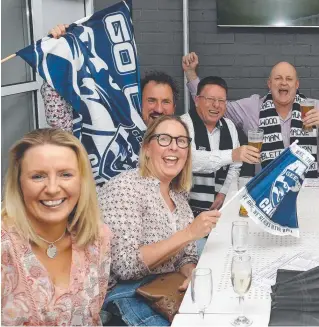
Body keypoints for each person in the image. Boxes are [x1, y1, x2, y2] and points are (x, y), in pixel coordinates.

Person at [98, 115, 221, 326]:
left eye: (181, 141)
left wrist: (192, 275)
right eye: (164, 139)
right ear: (147, 148)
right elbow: (125, 267)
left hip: (167, 289)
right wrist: (189, 233)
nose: (174, 147)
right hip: (128, 294)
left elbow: (186, 257)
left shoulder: (179, 197)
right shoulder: (124, 187)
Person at [1, 128, 111, 326]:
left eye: (65, 174)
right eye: (38, 176)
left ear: (82, 181)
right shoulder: (4, 246)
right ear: (19, 183)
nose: (52, 188)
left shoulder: (98, 238)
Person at [183, 52, 319, 178]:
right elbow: (216, 105)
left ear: (296, 85)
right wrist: (190, 74)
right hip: (265, 190)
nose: (283, 83)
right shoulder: (252, 106)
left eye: (289, 79)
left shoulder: (314, 107)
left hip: (310, 187)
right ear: (269, 84)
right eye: (278, 78)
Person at [42, 24, 178, 129]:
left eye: (166, 102)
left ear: (174, 108)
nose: (159, 109)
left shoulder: (181, 141)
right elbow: (60, 124)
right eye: (151, 100)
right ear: (137, 103)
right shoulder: (114, 130)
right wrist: (57, 54)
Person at [181, 76, 259, 214]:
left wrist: (224, 192)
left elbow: (236, 166)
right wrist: (232, 154)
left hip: (219, 212)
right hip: (186, 212)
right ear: (197, 100)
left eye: (221, 101)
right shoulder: (183, 124)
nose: (216, 105)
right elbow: (188, 160)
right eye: (210, 99)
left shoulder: (229, 126)